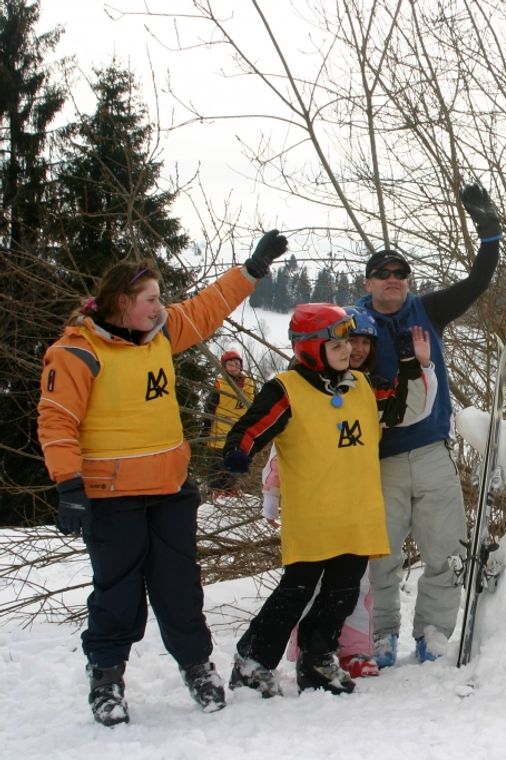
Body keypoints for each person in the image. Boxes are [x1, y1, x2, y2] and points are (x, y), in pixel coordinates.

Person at [36, 230, 289, 726]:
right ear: (123, 303)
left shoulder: (162, 333)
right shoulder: (76, 353)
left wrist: (252, 270)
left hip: (170, 491)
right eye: (150, 299)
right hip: (111, 497)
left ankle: (196, 667)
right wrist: (69, 486)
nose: (160, 307)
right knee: (118, 592)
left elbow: (207, 307)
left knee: (179, 588)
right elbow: (56, 421)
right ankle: (106, 677)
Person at [222, 304, 438, 696]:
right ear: (309, 347)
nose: (348, 348)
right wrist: (239, 452)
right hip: (314, 516)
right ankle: (252, 662)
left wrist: (409, 365)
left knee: (343, 593)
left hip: (357, 514)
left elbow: (396, 407)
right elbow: (251, 427)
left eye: (351, 340)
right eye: (336, 341)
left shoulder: (361, 383)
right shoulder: (285, 388)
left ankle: (317, 658)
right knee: (296, 593)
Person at [356, 182, 502, 665]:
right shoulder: (353, 325)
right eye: (383, 274)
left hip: (433, 451)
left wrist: (488, 230)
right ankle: (380, 636)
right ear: (369, 282)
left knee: (446, 550)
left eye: (401, 273)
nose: (393, 280)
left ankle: (433, 631)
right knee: (381, 555)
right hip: (380, 459)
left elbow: (477, 283)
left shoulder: (428, 310)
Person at [202, 348, 256, 493]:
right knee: (217, 463)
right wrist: (205, 429)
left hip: (239, 431)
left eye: (236, 363)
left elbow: (254, 406)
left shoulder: (250, 383)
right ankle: (216, 490)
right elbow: (209, 407)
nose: (234, 366)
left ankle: (231, 489)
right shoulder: (220, 383)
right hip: (219, 430)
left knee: (235, 460)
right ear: (224, 367)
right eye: (230, 364)